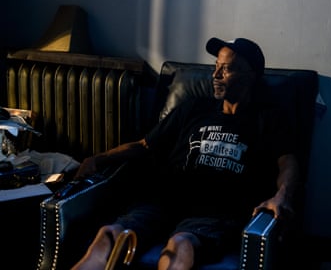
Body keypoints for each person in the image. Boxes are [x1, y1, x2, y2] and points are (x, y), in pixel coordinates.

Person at [71, 37, 300, 270]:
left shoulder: (268, 118)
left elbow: (287, 162)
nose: (216, 75)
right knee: (110, 234)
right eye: (216, 67)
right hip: (164, 199)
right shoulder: (193, 107)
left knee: (181, 244)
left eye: (227, 69)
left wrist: (282, 195)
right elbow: (144, 145)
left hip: (216, 210)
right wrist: (97, 159)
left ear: (251, 75)